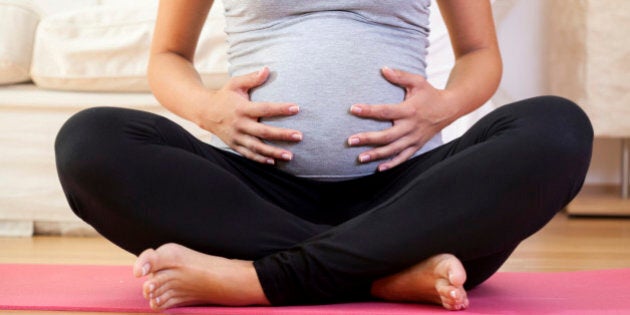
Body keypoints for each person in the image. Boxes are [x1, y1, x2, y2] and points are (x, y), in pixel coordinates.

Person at [54, 0, 593, 311]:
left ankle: (258, 279)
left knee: (559, 129)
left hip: (410, 193)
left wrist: (443, 108)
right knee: (89, 142)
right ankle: (385, 274)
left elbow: (479, 55)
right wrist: (207, 109)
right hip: (253, 194)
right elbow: (168, 57)